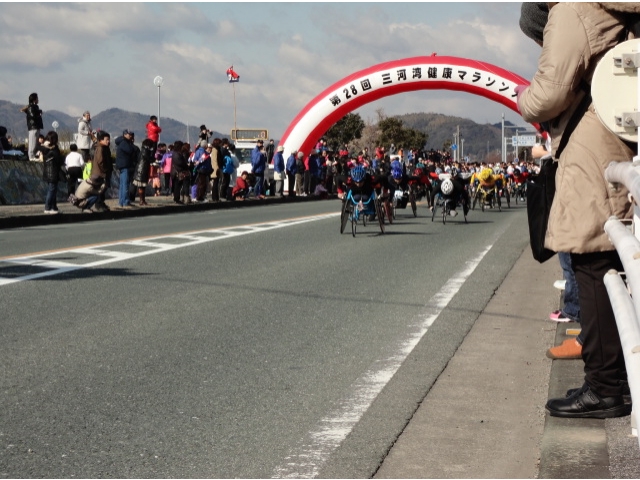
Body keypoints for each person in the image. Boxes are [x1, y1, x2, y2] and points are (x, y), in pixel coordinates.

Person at [517, 2, 640, 419]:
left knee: (591, 260)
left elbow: (550, 91)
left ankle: (605, 387)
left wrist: (523, 101)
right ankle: (617, 377)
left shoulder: (572, 8)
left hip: (591, 145)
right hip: (620, 138)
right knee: (615, 258)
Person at [41, 131, 63, 214]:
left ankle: (54, 207)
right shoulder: (54, 149)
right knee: (52, 191)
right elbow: (59, 160)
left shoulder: (44, 148)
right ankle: (48, 207)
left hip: (47, 172)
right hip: (53, 172)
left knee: (52, 190)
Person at [91, 130, 113, 210]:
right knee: (100, 189)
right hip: (100, 173)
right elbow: (100, 161)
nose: (108, 141)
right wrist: (105, 170)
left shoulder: (105, 148)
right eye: (106, 139)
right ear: (101, 140)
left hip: (103, 172)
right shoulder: (100, 148)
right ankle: (99, 204)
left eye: (109, 139)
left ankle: (101, 203)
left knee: (103, 189)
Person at [115, 129, 136, 208]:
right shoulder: (124, 143)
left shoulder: (122, 142)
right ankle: (125, 201)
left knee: (122, 185)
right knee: (125, 185)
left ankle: (121, 201)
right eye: (129, 134)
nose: (130, 136)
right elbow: (130, 150)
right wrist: (131, 143)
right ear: (125, 135)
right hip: (125, 165)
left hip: (122, 165)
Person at [20, 93, 43, 161]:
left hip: (35, 127)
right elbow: (32, 116)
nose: (38, 100)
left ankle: (33, 155)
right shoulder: (31, 107)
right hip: (33, 127)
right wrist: (39, 114)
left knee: (35, 142)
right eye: (37, 98)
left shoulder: (33, 107)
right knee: (32, 142)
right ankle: (31, 156)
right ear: (34, 99)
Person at [133, 138, 154, 206]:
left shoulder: (143, 150)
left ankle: (142, 200)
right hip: (142, 171)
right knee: (141, 186)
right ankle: (142, 200)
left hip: (141, 170)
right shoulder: (145, 151)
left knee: (142, 187)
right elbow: (149, 159)